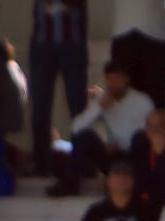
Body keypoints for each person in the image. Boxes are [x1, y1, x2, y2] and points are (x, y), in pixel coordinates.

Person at [26, 0, 95, 173]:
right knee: (40, 105)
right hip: (42, 44)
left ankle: (81, 162)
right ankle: (41, 162)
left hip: (72, 43)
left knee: (77, 104)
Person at [53, 62, 153, 197]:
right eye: (109, 79)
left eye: (117, 78)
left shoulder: (142, 101)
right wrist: (99, 107)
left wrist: (121, 145)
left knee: (141, 139)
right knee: (85, 136)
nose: (113, 83)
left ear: (126, 79)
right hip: (112, 156)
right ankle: (69, 184)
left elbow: (149, 134)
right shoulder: (102, 99)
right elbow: (76, 128)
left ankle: (139, 188)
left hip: (133, 155)